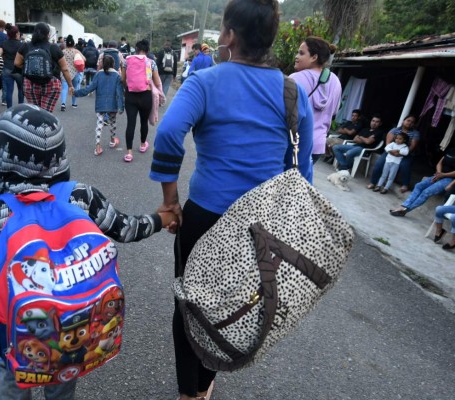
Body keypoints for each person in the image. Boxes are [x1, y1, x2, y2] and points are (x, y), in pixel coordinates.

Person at [0, 104, 177, 400]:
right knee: (63, 375)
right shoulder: (80, 196)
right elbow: (124, 228)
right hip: (74, 321)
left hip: (16, 323)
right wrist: (162, 219)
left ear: (1, 155)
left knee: (12, 374)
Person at [149, 1, 313, 399]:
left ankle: (190, 392)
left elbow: (169, 132)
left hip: (205, 217)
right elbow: (303, 172)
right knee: (231, 305)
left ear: (229, 36)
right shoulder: (293, 92)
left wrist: (170, 201)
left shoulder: (205, 81)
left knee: (190, 305)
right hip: (261, 225)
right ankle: (205, 385)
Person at [289, 36, 342, 164]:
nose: (297, 56)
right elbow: (334, 111)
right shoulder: (335, 81)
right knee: (296, 183)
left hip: (294, 144)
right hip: (317, 146)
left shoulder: (296, 78)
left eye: (301, 53)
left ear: (314, 57)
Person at [14, 23, 74, 113]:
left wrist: (31, 68)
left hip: (30, 83)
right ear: (48, 34)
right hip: (51, 83)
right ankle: (44, 125)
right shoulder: (54, 47)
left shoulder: (25, 46)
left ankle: (34, 125)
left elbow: (17, 63)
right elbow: (64, 69)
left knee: (34, 112)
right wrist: (70, 85)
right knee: (46, 114)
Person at [121, 39, 164, 163]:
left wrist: (127, 87)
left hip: (130, 95)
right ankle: (142, 144)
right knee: (144, 122)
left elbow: (123, 78)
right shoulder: (151, 62)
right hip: (145, 95)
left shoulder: (127, 61)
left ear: (136, 49)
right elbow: (156, 81)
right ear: (147, 50)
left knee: (130, 123)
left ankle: (129, 152)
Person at [74, 55, 124, 156]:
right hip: (112, 104)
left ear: (102, 63)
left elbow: (89, 89)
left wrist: (76, 93)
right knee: (113, 123)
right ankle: (112, 140)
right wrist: (121, 107)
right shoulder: (117, 76)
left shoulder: (98, 75)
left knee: (99, 124)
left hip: (100, 103)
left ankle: (97, 147)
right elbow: (119, 93)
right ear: (113, 64)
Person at [390, 147, 455, 217]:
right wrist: (439, 173)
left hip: (449, 179)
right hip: (439, 175)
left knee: (426, 192)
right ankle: (404, 206)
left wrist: (443, 175)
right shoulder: (451, 150)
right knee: (419, 186)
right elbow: (440, 163)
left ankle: (405, 209)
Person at [367, 114, 420, 193]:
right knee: (379, 163)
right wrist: (391, 151)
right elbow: (388, 143)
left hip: (405, 153)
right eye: (408, 120)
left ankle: (405, 184)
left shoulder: (415, 133)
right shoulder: (394, 130)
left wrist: (400, 153)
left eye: (412, 122)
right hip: (390, 151)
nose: (409, 123)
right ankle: (373, 182)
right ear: (403, 121)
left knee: (404, 165)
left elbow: (412, 146)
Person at [0, 25, 24, 108]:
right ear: (17, 34)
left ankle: (9, 110)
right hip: (18, 69)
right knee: (21, 90)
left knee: (9, 91)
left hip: (6, 68)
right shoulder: (21, 44)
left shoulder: (3, 43)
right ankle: (20, 109)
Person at [60, 35, 85, 111]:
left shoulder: (62, 51)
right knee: (74, 87)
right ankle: (74, 103)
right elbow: (84, 59)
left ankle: (63, 104)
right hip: (74, 72)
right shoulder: (76, 51)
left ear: (66, 44)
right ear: (73, 43)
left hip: (64, 72)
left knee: (64, 88)